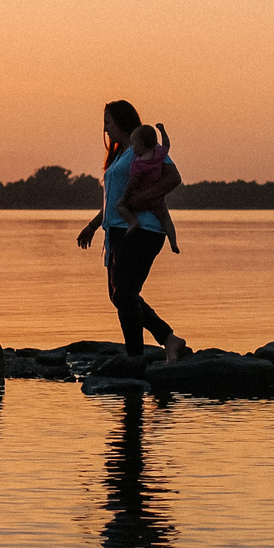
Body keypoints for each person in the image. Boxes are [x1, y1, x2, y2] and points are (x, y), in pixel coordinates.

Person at [76, 99, 190, 362]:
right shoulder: (118, 155)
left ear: (122, 121)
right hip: (116, 231)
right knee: (120, 296)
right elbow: (115, 199)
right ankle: (169, 340)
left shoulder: (144, 148)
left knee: (124, 293)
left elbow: (173, 179)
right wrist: (93, 226)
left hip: (143, 231)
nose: (105, 129)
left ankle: (136, 358)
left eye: (108, 122)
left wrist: (141, 200)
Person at [114, 122, 179, 251]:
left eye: (134, 145)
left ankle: (133, 222)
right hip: (157, 201)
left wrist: (126, 198)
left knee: (120, 206)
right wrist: (163, 131)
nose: (133, 149)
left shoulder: (139, 164)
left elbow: (132, 183)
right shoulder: (159, 154)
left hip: (140, 199)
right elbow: (166, 144)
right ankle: (173, 243)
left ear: (141, 145)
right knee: (166, 219)